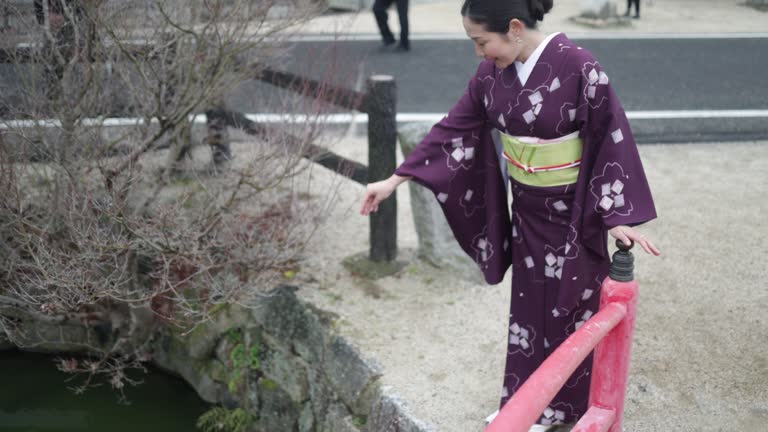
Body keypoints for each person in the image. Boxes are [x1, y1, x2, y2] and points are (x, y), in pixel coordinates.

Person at [360, 0, 660, 429]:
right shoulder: (491, 75)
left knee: (570, 308)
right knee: (528, 310)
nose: (480, 53)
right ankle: (524, 400)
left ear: (514, 28)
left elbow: (610, 134)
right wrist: (395, 178)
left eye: (482, 42)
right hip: (528, 212)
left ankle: (563, 407)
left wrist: (615, 215)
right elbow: (454, 128)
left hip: (574, 217)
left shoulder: (580, 67)